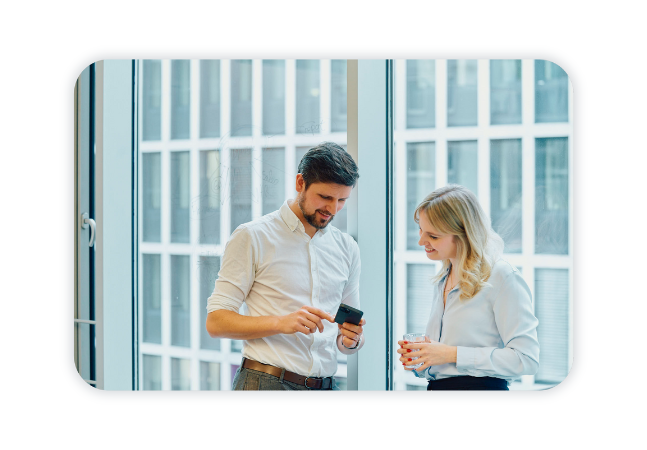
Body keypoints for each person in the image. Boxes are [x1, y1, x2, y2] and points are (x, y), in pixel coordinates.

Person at [206, 142, 366, 390]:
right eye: (325, 197)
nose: (333, 209)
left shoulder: (347, 248)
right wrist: (282, 322)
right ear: (300, 183)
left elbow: (345, 339)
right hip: (265, 383)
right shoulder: (252, 236)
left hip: (326, 388)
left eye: (341, 200)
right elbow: (216, 322)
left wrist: (352, 340)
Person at [398, 184, 539, 390]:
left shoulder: (502, 277)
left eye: (433, 236)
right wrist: (423, 357)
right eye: (421, 229)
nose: (421, 241)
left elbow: (526, 359)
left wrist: (450, 354)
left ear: (464, 233)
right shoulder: (444, 277)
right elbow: (444, 363)